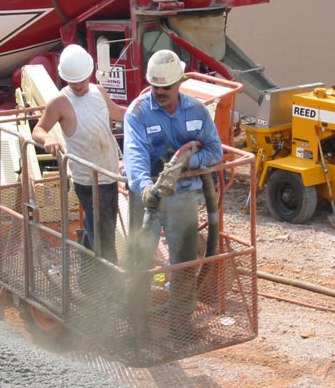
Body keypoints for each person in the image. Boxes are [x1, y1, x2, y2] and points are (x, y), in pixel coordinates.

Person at [123, 49, 223, 344]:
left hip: (182, 199)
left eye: (165, 87)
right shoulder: (138, 112)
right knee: (139, 264)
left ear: (180, 81)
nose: (159, 92)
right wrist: (145, 189)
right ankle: (137, 331)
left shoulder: (197, 111)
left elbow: (214, 151)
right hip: (148, 199)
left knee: (184, 262)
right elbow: (135, 156)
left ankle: (179, 328)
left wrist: (185, 163)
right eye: (154, 86)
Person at [32, 44, 126, 264]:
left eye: (83, 81)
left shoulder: (98, 92)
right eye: (74, 83)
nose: (80, 86)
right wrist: (48, 139)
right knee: (103, 235)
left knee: (103, 228)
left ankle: (89, 277)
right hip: (88, 179)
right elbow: (39, 129)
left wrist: (142, 111)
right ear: (66, 79)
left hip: (109, 173)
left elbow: (119, 113)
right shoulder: (60, 102)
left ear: (89, 74)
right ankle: (106, 283)